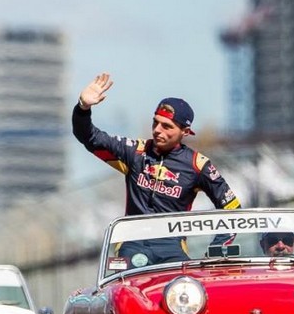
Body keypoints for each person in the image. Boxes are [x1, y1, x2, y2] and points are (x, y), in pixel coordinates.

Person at [74, 73, 241, 265]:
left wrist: (216, 251)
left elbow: (232, 209)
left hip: (172, 246)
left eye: (166, 126)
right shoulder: (135, 151)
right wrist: (83, 108)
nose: (157, 130)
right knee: (127, 288)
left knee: (186, 289)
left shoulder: (198, 164)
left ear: (185, 132)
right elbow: (88, 137)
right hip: (132, 243)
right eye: (155, 122)